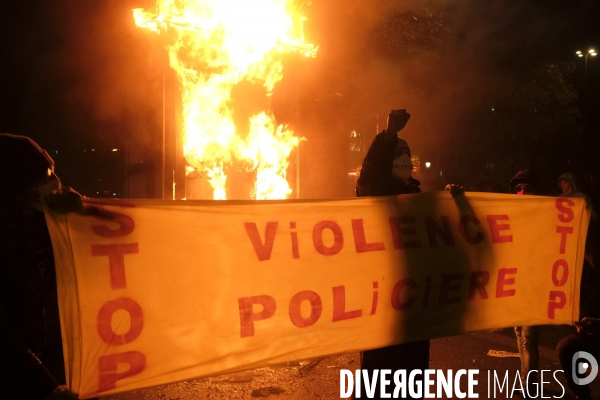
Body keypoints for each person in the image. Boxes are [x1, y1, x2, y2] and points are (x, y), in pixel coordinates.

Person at [0, 133, 81, 399]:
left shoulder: (44, 224)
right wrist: (45, 386)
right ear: (16, 189)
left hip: (58, 375)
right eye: (44, 176)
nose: (53, 183)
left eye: (52, 173)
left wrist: (82, 215)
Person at [355, 109, 428, 399]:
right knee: (378, 379)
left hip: (414, 310)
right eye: (396, 153)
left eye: (405, 154)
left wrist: (457, 202)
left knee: (411, 382)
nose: (402, 160)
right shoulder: (376, 193)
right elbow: (371, 172)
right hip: (383, 304)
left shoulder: (417, 199)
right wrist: (388, 136)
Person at [508, 169, 545, 398]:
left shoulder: (544, 214)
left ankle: (528, 384)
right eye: (519, 188)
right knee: (520, 335)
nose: (523, 191)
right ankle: (527, 380)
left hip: (534, 284)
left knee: (529, 339)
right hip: (515, 285)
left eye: (528, 188)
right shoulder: (512, 213)